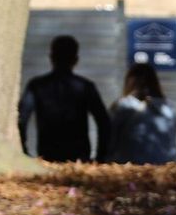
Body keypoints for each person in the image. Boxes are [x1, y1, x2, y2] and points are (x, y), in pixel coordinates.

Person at [17, 34, 110, 162]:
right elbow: (103, 122)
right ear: (76, 59)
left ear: (51, 57)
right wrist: (100, 157)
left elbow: (22, 119)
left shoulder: (36, 85)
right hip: (79, 156)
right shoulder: (85, 87)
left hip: (47, 154)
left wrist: (24, 151)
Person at [107, 62, 176, 164]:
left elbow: (109, 139)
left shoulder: (122, 106)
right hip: (163, 165)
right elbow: (172, 142)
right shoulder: (168, 108)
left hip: (129, 166)